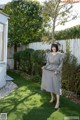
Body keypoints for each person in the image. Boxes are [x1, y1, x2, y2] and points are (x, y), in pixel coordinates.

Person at [41, 43, 64, 110]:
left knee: (57, 86)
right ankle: (52, 98)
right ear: (51, 48)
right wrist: (44, 67)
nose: (53, 48)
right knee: (50, 84)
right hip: (49, 71)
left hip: (56, 72)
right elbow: (47, 63)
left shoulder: (60, 55)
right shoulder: (49, 54)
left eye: (54, 47)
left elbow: (61, 64)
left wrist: (57, 70)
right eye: (52, 47)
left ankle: (58, 102)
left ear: (56, 48)